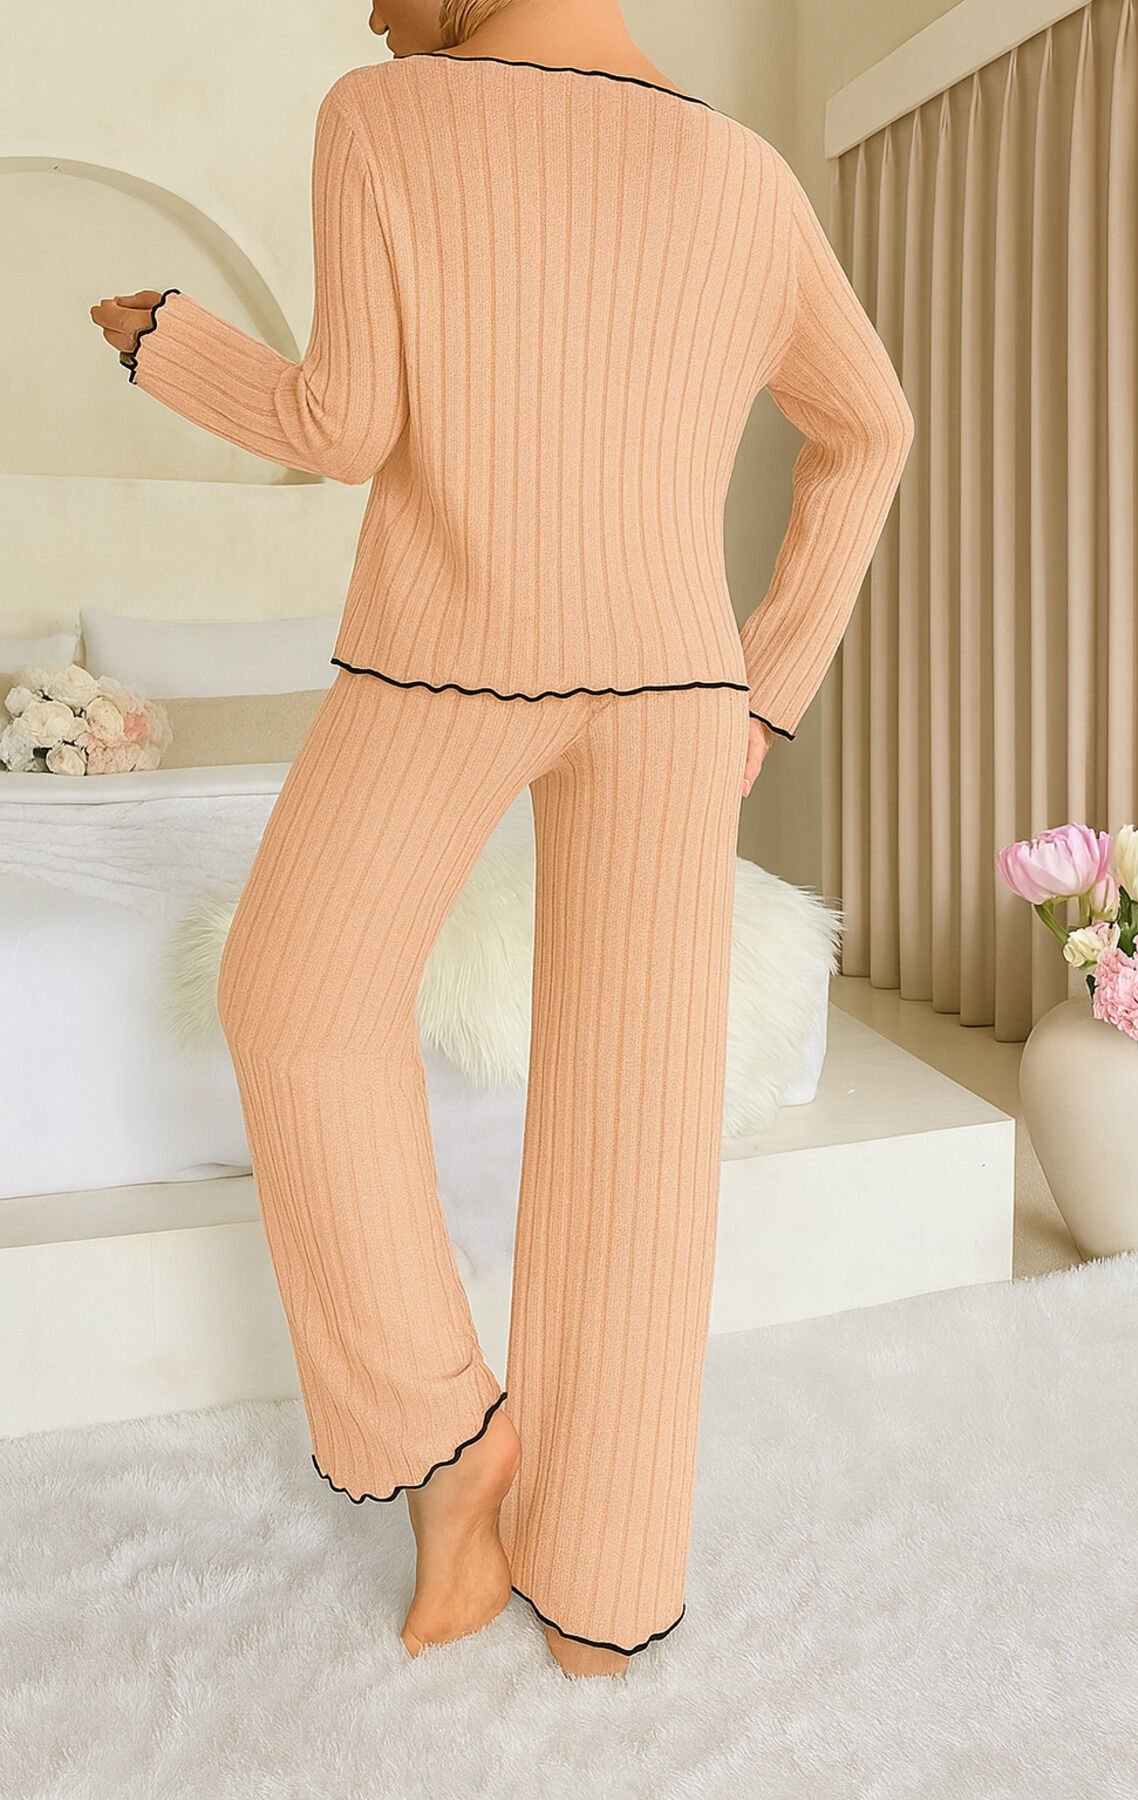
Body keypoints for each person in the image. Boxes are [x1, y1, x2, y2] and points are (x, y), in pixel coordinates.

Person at [90, 0, 914, 1680]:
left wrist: (168, 341)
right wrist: (765, 687)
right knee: (638, 1127)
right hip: (675, 688)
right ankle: (606, 1592)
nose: (371, 10)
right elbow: (872, 428)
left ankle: (446, 1438)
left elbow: (342, 425)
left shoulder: (384, 117)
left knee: (293, 999)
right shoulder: (746, 174)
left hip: (445, 661)